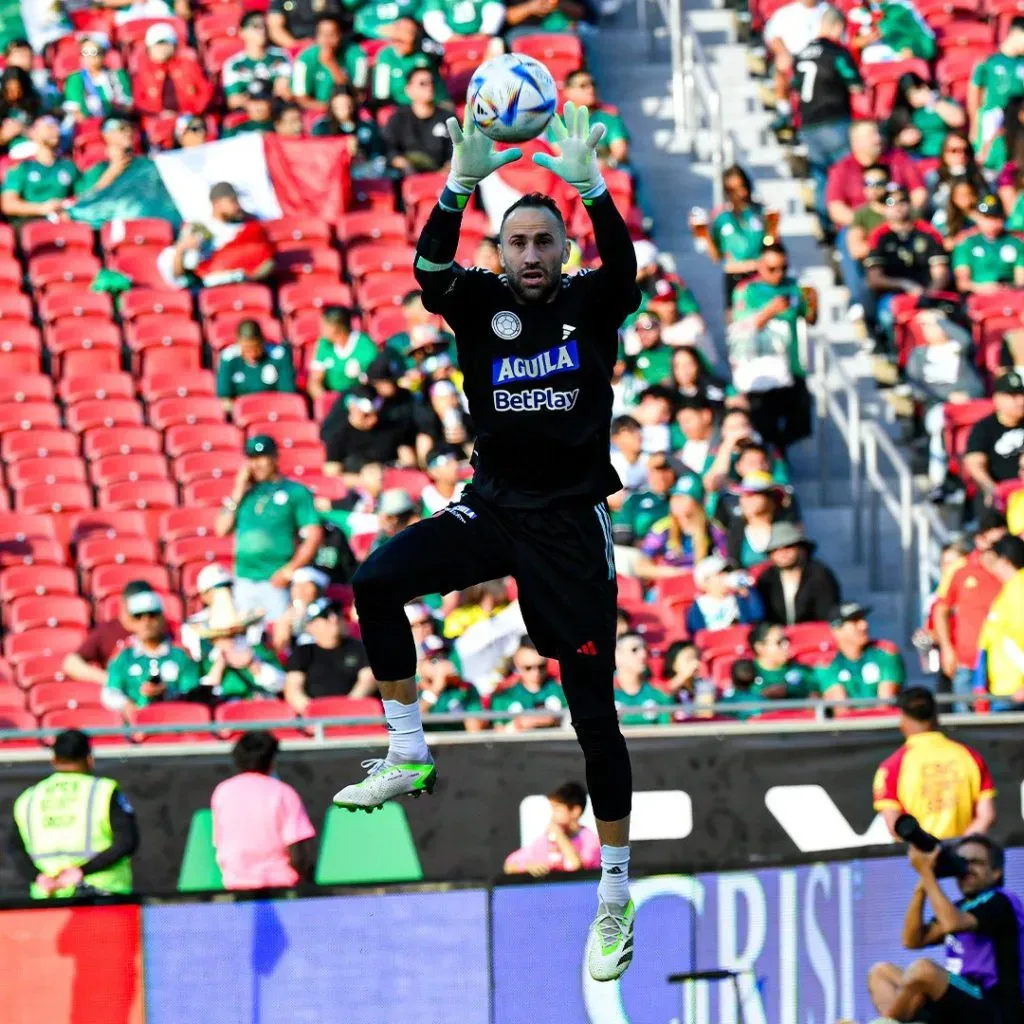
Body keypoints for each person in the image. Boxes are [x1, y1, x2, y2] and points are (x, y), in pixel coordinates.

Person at [335, 103, 641, 980]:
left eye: (548, 241)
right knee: (376, 580)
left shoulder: (591, 300)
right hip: (495, 509)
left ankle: (614, 893)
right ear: (499, 255)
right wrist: (458, 185)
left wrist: (592, 190)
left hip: (570, 531)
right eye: (520, 244)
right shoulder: (478, 304)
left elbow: (621, 263)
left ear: (564, 251)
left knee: (594, 716)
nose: (535, 255)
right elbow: (429, 264)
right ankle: (407, 748)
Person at [868, 834, 1024, 1023]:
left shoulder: (1002, 901)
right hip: (958, 1002)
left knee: (924, 970)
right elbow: (912, 940)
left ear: (996, 871)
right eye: (962, 862)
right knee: (881, 973)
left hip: (992, 1008)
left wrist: (926, 872)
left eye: (976, 862)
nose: (966, 869)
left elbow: (952, 923)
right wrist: (924, 881)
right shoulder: (960, 907)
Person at [7, 730, 138, 898]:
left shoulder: (29, 797)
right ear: (89, 759)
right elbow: (127, 841)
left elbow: (14, 848)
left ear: (54, 760)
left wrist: (38, 877)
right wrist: (81, 871)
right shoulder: (103, 791)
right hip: (102, 895)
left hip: (47, 899)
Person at [216, 434, 324, 622]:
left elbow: (313, 535)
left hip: (275, 578)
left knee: (278, 635)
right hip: (244, 578)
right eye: (252, 459)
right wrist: (237, 492)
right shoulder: (245, 494)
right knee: (248, 637)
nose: (256, 464)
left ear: (274, 458)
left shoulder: (295, 492)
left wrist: (290, 570)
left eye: (261, 458)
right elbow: (221, 529)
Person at [873, 686, 996, 841]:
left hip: (919, 860)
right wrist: (959, 848)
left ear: (902, 719)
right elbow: (986, 815)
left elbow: (895, 826)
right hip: (962, 858)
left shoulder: (891, 767)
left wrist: (929, 850)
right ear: (936, 716)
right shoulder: (970, 757)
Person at [728, 243, 812, 450]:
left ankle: (779, 454)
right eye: (772, 269)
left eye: (783, 268)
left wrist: (813, 304)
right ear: (759, 266)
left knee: (799, 423)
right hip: (763, 370)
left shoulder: (795, 287)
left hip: (792, 366)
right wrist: (769, 311)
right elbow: (742, 329)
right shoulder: (747, 290)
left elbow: (808, 318)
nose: (778, 274)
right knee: (765, 427)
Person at [211, 731, 316, 890]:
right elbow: (298, 855)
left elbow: (219, 842)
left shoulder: (222, 792)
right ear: (272, 760)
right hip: (281, 888)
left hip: (235, 885)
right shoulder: (283, 793)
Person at [790, 7, 863, 222]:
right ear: (837, 26)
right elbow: (855, 85)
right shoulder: (836, 53)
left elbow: (795, 87)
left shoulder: (801, 53)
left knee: (821, 177)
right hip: (835, 121)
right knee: (843, 174)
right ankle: (844, 223)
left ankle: (825, 223)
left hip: (808, 125)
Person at [904, 310, 985, 501]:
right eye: (925, 326)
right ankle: (939, 481)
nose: (928, 330)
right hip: (939, 406)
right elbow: (915, 386)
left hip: (969, 404)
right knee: (940, 423)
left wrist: (939, 320)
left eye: (933, 325)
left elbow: (965, 338)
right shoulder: (919, 355)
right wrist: (947, 397)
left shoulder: (958, 348)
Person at [864, 184, 949, 345]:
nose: (897, 206)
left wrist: (929, 293)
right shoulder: (879, 236)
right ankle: (893, 354)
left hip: (928, 292)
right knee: (887, 317)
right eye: (890, 202)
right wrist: (904, 284)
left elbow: (941, 273)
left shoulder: (928, 233)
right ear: (884, 208)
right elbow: (874, 278)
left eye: (902, 201)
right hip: (894, 294)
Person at [101, 591, 200, 716]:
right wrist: (127, 705)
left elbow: (192, 691)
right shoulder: (123, 656)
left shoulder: (181, 655)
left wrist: (168, 692)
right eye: (138, 616)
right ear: (131, 622)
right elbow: (111, 691)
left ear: (163, 618)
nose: (146, 621)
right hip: (135, 727)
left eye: (152, 614)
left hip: (176, 722)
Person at [283, 597, 376, 712]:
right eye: (325, 615)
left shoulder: (360, 648)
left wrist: (345, 710)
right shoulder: (302, 653)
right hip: (315, 721)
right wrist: (315, 712)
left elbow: (368, 680)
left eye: (337, 613)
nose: (334, 618)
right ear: (310, 626)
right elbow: (293, 690)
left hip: (354, 717)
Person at [195, 587, 283, 703]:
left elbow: (281, 684)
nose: (229, 641)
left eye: (234, 635)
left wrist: (254, 665)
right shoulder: (207, 662)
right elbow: (200, 698)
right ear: (213, 640)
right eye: (222, 637)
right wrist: (218, 668)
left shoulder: (258, 651)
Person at [62, 580, 158, 685]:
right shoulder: (107, 631)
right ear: (124, 605)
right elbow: (71, 663)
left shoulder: (162, 628)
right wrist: (109, 679)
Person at [816, 602, 905, 708]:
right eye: (855, 621)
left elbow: (885, 705)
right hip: (847, 724)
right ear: (837, 630)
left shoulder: (885, 654)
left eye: (863, 619)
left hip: (884, 723)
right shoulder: (827, 664)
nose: (864, 625)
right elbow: (841, 710)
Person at [504, 781, 601, 876]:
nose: (552, 815)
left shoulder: (592, 841)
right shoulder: (546, 840)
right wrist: (527, 867)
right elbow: (509, 866)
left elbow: (578, 868)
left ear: (575, 811)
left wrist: (560, 836)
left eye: (557, 809)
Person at [756, 521, 841, 625]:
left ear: (802, 548)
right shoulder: (766, 579)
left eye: (788, 546)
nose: (783, 552)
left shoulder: (820, 575)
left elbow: (828, 615)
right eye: (776, 549)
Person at [706, 165, 769, 305]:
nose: (741, 192)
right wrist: (704, 235)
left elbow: (772, 245)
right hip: (735, 276)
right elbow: (716, 256)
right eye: (733, 189)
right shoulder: (721, 217)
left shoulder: (761, 212)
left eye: (743, 186)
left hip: (761, 275)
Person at [968, 17, 1024, 173]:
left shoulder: (1021, 63)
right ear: (1016, 33)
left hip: (1017, 120)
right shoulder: (989, 60)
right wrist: (974, 122)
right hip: (993, 116)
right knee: (989, 161)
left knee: (1013, 160)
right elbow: (975, 91)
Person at [975, 534, 1024, 711]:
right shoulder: (1010, 589)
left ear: (1004, 560)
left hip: (1016, 692)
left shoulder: (1019, 589)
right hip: (1005, 690)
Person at [0, 116, 77, 223]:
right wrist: (41, 208)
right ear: (33, 133)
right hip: (31, 223)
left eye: (57, 126)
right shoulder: (22, 167)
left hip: (63, 222)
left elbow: (84, 195)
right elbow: (8, 204)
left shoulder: (68, 165)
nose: (55, 130)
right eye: (49, 126)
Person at [964, 371, 1024, 503]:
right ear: (998, 399)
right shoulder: (984, 427)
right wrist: (991, 488)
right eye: (1013, 396)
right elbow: (974, 462)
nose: (1020, 401)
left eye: (1022, 395)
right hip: (999, 492)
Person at [216, 319, 296, 414]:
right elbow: (225, 399)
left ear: (263, 341)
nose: (252, 354)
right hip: (242, 413)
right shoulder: (228, 358)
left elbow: (287, 394)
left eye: (256, 347)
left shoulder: (279, 355)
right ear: (238, 343)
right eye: (247, 348)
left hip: (274, 410)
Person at [383, 67, 453, 174]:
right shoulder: (398, 118)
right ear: (409, 90)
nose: (429, 87)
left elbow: (458, 152)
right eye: (422, 83)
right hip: (408, 177)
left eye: (432, 83)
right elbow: (389, 149)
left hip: (442, 178)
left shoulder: (448, 118)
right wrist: (403, 164)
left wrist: (448, 169)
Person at [553, 70, 630, 167]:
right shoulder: (558, 123)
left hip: (606, 171)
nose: (591, 89)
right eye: (583, 86)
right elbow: (560, 154)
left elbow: (619, 151)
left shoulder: (609, 117)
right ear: (568, 92)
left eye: (592, 84)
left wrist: (606, 163)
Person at [291, 15, 367, 113]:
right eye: (323, 34)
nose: (326, 40)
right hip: (317, 109)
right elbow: (302, 98)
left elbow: (358, 94)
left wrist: (331, 64)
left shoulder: (356, 54)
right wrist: (330, 110)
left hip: (349, 109)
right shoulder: (304, 59)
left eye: (332, 34)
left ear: (340, 35)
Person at [134, 23, 213, 116]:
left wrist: (193, 110)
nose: (162, 49)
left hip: (189, 117)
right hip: (157, 120)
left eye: (166, 44)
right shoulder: (144, 70)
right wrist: (159, 114)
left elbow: (205, 91)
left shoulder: (188, 65)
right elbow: (139, 100)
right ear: (149, 49)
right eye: (158, 45)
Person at [951, 193, 1024, 293]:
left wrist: (1004, 288)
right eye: (986, 218)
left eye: (995, 218)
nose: (990, 223)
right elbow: (963, 283)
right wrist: (984, 288)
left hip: (1009, 296)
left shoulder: (1016, 242)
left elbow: (1021, 281)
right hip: (977, 298)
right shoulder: (966, 242)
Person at [489, 638, 568, 729]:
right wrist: (519, 724)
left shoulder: (563, 692)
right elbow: (496, 734)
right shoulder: (504, 697)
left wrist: (557, 719)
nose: (536, 673)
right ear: (517, 664)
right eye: (528, 668)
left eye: (541, 667)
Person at [887, 71, 966, 160]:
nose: (917, 95)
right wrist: (902, 140)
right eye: (912, 93)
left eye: (919, 88)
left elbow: (958, 120)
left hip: (946, 155)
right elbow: (890, 141)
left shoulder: (942, 101)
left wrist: (933, 100)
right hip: (917, 158)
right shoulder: (901, 113)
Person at [371, 18, 448, 107]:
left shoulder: (424, 54)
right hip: (399, 107)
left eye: (410, 32)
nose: (402, 38)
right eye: (400, 32)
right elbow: (381, 93)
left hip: (429, 105)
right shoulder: (386, 56)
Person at [222, 12, 292, 110]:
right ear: (242, 32)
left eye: (264, 26)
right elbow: (233, 100)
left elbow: (285, 92)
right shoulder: (234, 64)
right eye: (256, 26)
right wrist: (257, 102)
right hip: (249, 113)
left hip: (276, 109)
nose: (262, 30)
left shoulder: (280, 56)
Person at [686, 554, 765, 634]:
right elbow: (697, 635)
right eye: (720, 573)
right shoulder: (700, 605)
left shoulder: (738, 598)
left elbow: (758, 616)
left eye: (727, 571)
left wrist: (749, 593)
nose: (726, 576)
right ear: (705, 582)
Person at [62, 37, 133, 121]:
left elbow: (127, 106)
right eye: (84, 53)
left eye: (93, 53)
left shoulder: (118, 75)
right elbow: (75, 110)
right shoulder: (75, 79)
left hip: (114, 120)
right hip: (87, 123)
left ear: (103, 55)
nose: (89, 57)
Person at [613, 632, 675, 724]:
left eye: (645, 649)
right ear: (616, 656)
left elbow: (667, 733)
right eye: (634, 650)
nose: (643, 654)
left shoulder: (660, 694)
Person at [271, 565, 330, 653]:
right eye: (296, 586)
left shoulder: (328, 609)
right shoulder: (288, 612)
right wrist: (285, 624)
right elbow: (279, 645)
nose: (300, 590)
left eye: (306, 586)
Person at [73, 117, 138, 197]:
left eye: (131, 128)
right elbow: (83, 198)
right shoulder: (96, 166)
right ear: (107, 134)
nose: (129, 132)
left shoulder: (141, 162)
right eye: (122, 129)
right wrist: (112, 173)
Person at [421, 0, 505, 41]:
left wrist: (486, 32)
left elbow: (494, 7)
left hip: (484, 38)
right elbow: (432, 18)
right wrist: (448, 37)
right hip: (450, 42)